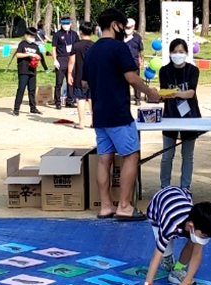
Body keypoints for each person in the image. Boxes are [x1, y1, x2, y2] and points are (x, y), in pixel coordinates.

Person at [82, 8, 159, 221]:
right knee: (131, 155)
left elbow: (84, 82)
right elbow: (132, 78)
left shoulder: (92, 50)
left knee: (104, 159)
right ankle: (124, 206)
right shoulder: (119, 48)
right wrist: (151, 92)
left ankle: (105, 205)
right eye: (123, 26)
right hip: (117, 111)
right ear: (115, 24)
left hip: (99, 114)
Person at [137, 187, 211, 285]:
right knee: (165, 253)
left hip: (180, 195)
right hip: (158, 209)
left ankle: (178, 269)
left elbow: (197, 254)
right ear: (191, 226)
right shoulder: (170, 225)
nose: (204, 239)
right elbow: (157, 255)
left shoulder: (199, 224)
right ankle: (169, 259)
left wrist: (186, 282)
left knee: (194, 241)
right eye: (203, 236)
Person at [158, 38, 201, 189]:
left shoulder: (193, 70)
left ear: (187, 53)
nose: (178, 55)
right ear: (170, 53)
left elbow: (191, 93)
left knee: (188, 155)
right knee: (167, 154)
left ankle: (185, 187)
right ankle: (165, 186)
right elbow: (163, 92)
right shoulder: (164, 70)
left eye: (181, 52)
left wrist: (175, 93)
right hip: (170, 115)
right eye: (175, 52)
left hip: (189, 117)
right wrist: (167, 94)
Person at [13, 27, 49, 116]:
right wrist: (29, 54)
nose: (32, 38)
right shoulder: (22, 44)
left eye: (33, 36)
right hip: (23, 70)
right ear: (26, 35)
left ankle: (33, 107)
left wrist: (37, 57)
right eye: (30, 36)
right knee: (21, 89)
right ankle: (16, 108)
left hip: (32, 70)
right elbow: (18, 55)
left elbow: (40, 57)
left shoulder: (35, 46)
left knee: (32, 90)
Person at [68, 21, 94, 129]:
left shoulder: (76, 45)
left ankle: (81, 123)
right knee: (92, 99)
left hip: (80, 76)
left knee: (81, 99)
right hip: (93, 76)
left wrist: (69, 73)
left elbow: (72, 61)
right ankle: (94, 121)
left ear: (81, 32)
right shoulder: (95, 45)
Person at [52, 15, 79, 109]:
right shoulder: (57, 35)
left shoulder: (74, 34)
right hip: (61, 59)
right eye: (63, 24)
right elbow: (53, 48)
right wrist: (55, 60)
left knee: (70, 81)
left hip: (71, 59)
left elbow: (77, 47)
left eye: (67, 24)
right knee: (59, 82)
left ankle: (70, 100)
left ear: (71, 24)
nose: (65, 25)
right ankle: (58, 101)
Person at [124, 18, 145, 106]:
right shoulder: (121, 37)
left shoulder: (137, 38)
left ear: (133, 27)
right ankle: (126, 98)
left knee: (136, 82)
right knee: (124, 83)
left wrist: (141, 62)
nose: (127, 29)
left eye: (129, 27)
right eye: (126, 27)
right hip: (123, 63)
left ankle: (137, 98)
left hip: (134, 63)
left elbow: (140, 51)